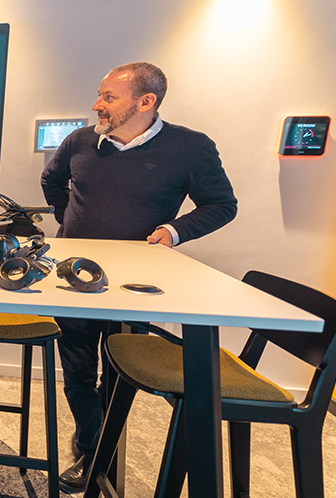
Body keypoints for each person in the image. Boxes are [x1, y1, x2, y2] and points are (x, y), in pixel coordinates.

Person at [40, 61, 238, 493]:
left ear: (146, 102)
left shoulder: (191, 148)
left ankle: (95, 450)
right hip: (72, 276)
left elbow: (222, 204)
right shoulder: (80, 141)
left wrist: (173, 231)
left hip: (134, 285)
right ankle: (95, 446)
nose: (97, 105)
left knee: (118, 369)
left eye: (109, 97)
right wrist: (69, 220)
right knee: (75, 366)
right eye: (99, 94)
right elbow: (51, 181)